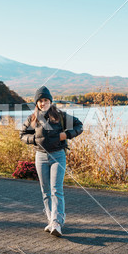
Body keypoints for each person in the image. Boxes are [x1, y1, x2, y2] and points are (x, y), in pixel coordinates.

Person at [20, 86, 83, 236]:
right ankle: (51, 220)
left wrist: (66, 135)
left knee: (56, 189)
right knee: (46, 191)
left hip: (58, 155)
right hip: (40, 157)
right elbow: (22, 135)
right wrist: (34, 139)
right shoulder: (32, 119)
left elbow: (79, 126)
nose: (43, 103)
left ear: (50, 101)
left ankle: (57, 222)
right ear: (37, 103)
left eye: (46, 100)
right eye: (40, 101)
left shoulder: (60, 116)